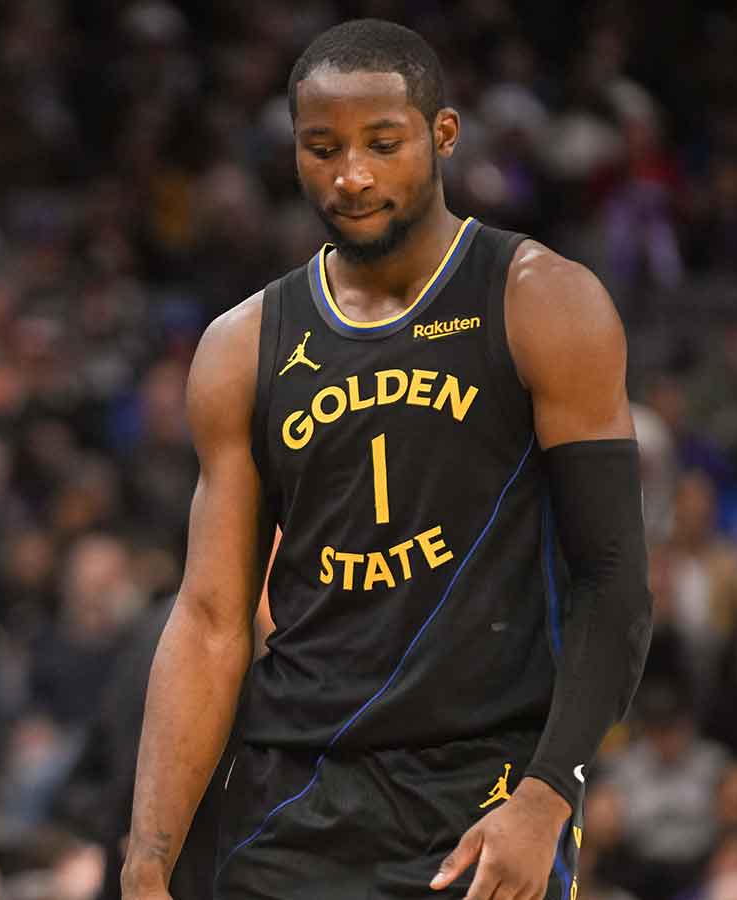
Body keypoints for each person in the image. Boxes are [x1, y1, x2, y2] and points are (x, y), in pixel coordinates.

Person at [122, 19, 652, 900]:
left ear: (442, 136)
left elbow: (613, 577)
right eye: (322, 148)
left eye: (382, 143)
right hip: (289, 791)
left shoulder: (541, 301)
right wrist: (147, 861)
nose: (351, 175)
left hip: (481, 787)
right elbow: (212, 618)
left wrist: (550, 790)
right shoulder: (243, 345)